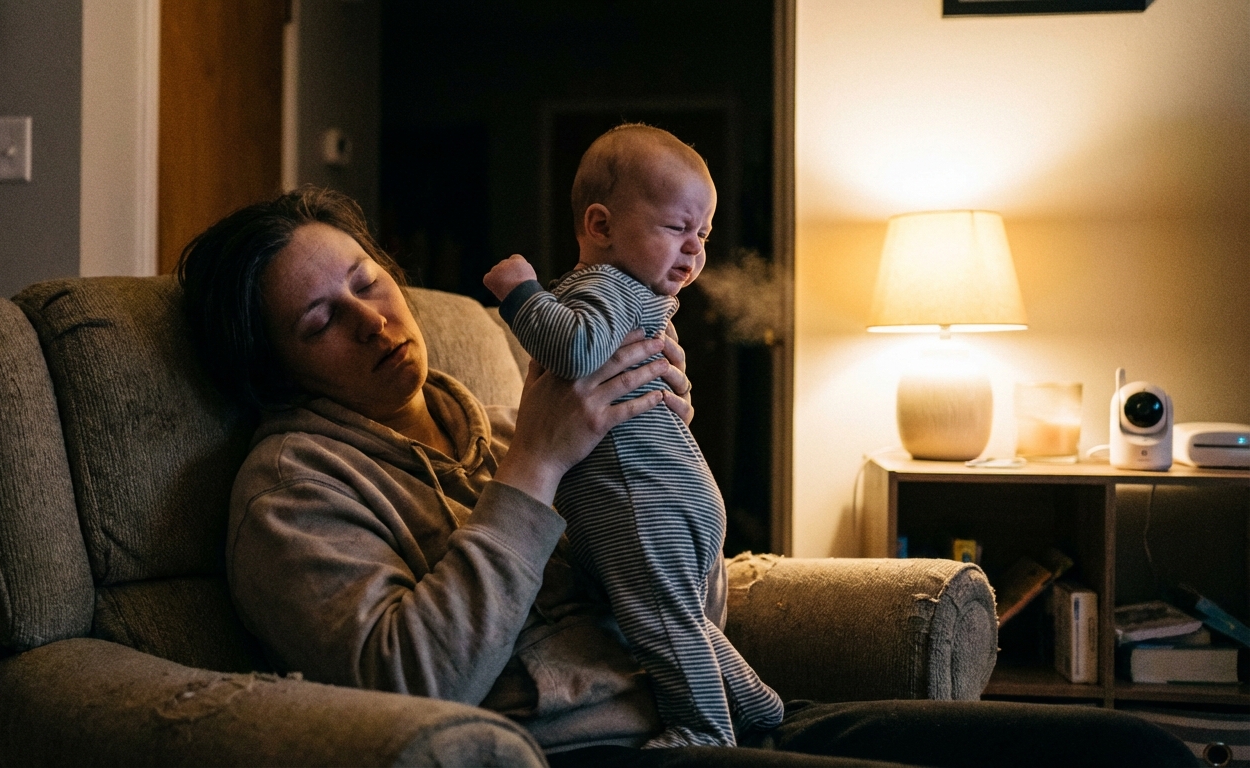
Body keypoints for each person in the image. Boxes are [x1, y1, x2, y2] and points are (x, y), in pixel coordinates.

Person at [177, 185, 1197, 767]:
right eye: (323, 321)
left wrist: (662, 456)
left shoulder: (481, 417)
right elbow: (410, 684)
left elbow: (684, 600)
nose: (373, 320)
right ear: (275, 369)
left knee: (1126, 756)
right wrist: (534, 470)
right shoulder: (291, 492)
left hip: (703, 708)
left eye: (367, 282)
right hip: (593, 754)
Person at [481, 124, 783, 748]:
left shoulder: (606, 288)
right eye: (678, 229)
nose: (695, 252)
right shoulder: (619, 290)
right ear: (600, 226)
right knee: (678, 622)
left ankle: (703, 732)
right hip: (665, 498)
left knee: (664, 623)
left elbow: (574, 346)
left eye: (703, 234)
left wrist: (519, 292)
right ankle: (757, 703)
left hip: (643, 504)